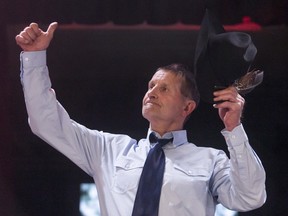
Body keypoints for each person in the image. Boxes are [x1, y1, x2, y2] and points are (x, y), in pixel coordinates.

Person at [15, 22, 266, 216]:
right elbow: (45, 122)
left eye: (164, 88)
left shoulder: (211, 161)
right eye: (150, 86)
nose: (152, 93)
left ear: (187, 107)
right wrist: (34, 58)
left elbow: (251, 197)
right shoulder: (108, 150)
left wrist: (235, 130)